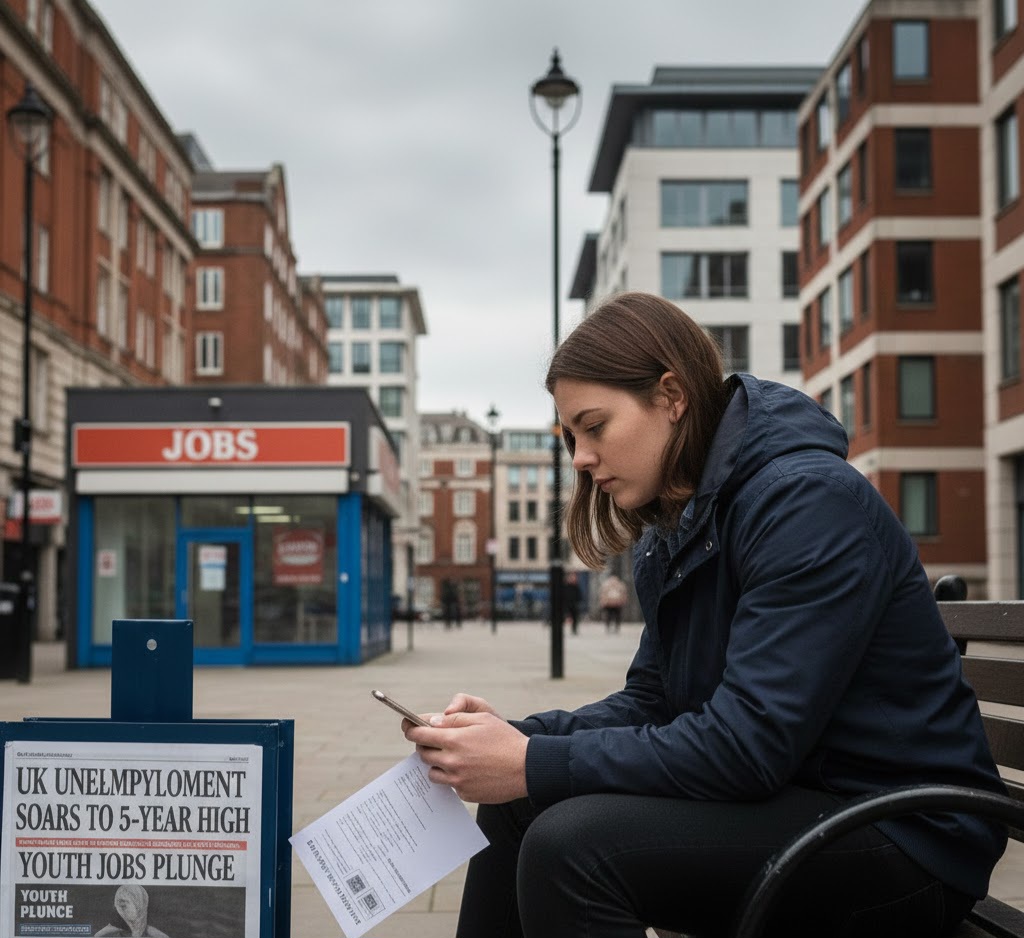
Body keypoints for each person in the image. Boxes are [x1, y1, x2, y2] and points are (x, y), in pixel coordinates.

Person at [404, 292, 1008, 938]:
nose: (578, 457)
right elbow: (653, 701)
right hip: (804, 799)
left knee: (569, 848)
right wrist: (514, 739)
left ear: (671, 396)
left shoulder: (806, 504)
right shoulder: (679, 524)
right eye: (571, 436)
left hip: (902, 832)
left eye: (594, 427)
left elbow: (747, 747)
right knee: (516, 804)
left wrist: (531, 759)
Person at [95, 885, 170, 938]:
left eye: (123, 906)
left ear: (141, 905)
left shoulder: (157, 935)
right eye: (118, 905)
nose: (121, 911)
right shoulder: (106, 934)